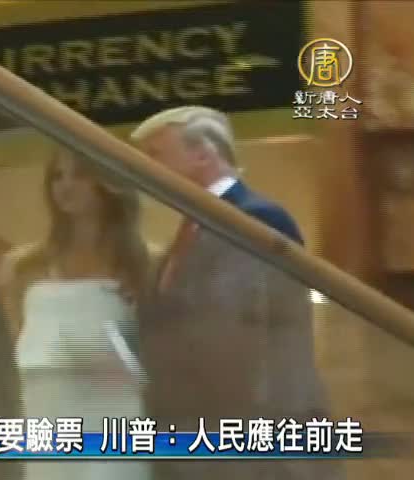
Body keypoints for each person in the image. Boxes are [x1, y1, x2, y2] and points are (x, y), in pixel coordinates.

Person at [130, 105, 341, 479]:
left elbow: (230, 326)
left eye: (156, 154)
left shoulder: (254, 219)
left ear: (203, 154)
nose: (146, 168)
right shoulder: (193, 227)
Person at [0, 147, 152, 480]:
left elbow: (158, 352)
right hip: (45, 409)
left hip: (116, 413)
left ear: (108, 182)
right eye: (57, 177)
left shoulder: (143, 263)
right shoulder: (24, 265)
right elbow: (12, 343)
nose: (65, 186)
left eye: (79, 175)